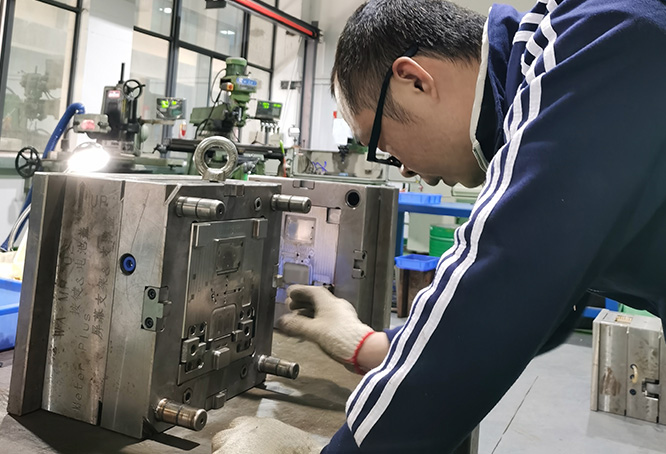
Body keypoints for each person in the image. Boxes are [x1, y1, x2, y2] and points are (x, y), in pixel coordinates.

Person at [214, 0, 666, 452]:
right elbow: (533, 308)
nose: (408, 171)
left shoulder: (598, 36)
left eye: (383, 144)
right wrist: (369, 345)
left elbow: (509, 276)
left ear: (414, 80)